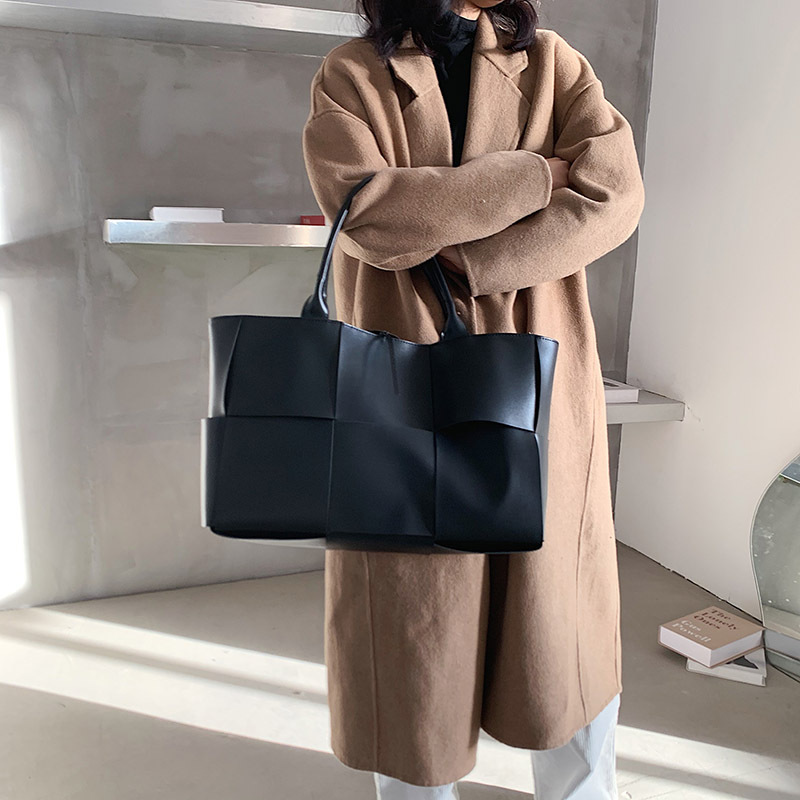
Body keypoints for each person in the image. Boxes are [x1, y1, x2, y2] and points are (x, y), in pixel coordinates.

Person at [301, 0, 645, 797]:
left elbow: (615, 194)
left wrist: (472, 255)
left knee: (559, 619)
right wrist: (538, 176)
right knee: (414, 621)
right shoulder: (353, 74)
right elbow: (372, 215)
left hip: (540, 376)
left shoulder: (556, 64)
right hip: (401, 379)